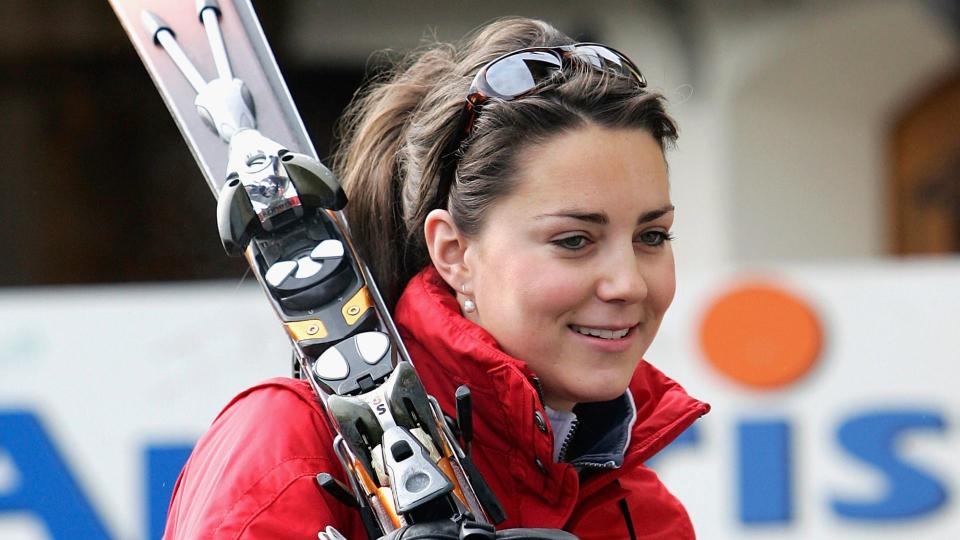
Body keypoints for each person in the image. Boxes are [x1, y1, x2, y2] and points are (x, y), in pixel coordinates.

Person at [163, 17, 709, 540]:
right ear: (453, 252)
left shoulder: (646, 516)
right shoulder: (289, 448)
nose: (629, 284)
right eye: (574, 241)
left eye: (652, 237)